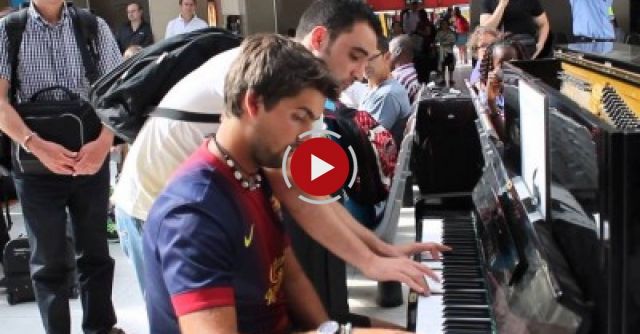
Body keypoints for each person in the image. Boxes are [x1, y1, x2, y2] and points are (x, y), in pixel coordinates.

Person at [113, 0, 443, 301]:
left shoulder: (302, 91)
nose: (359, 73)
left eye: (366, 61)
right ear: (317, 39)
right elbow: (295, 191)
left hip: (207, 208)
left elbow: (316, 195)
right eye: (354, 56)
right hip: (152, 206)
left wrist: (380, 250)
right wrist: (370, 261)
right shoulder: (264, 74)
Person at [0, 1, 123, 333]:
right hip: (35, 166)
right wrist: (37, 145)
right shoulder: (9, 30)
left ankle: (100, 327)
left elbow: (118, 93)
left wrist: (103, 144)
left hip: (90, 156)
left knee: (95, 255)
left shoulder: (93, 27)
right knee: (47, 262)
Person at [361, 36, 412, 147]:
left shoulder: (387, 95)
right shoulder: (373, 88)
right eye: (359, 58)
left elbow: (366, 141)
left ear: (387, 57)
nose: (364, 64)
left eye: (370, 58)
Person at [480, 0, 550, 59]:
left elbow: (543, 24)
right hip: (498, 50)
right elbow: (486, 29)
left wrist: (540, 44)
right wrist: (502, 5)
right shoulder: (488, 1)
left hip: (525, 47)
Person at [389, 34, 421, 103]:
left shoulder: (399, 77)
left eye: (389, 51)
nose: (388, 55)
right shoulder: (411, 73)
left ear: (397, 51)